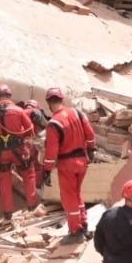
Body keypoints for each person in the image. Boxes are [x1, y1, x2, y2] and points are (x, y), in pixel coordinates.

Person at [42, 87, 96, 242]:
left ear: (49, 103)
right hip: (82, 161)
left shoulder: (53, 123)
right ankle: (83, 225)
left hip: (67, 165)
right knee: (77, 194)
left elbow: (51, 152)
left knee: (68, 197)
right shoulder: (77, 113)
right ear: (62, 99)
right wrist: (91, 149)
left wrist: (46, 170)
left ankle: (75, 231)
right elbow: (90, 134)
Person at [0, 84, 38, 216]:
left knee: (4, 180)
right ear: (9, 96)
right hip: (19, 149)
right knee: (29, 174)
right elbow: (30, 130)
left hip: (1, 153)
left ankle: (8, 213)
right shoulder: (18, 111)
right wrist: (21, 138)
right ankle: (32, 207)